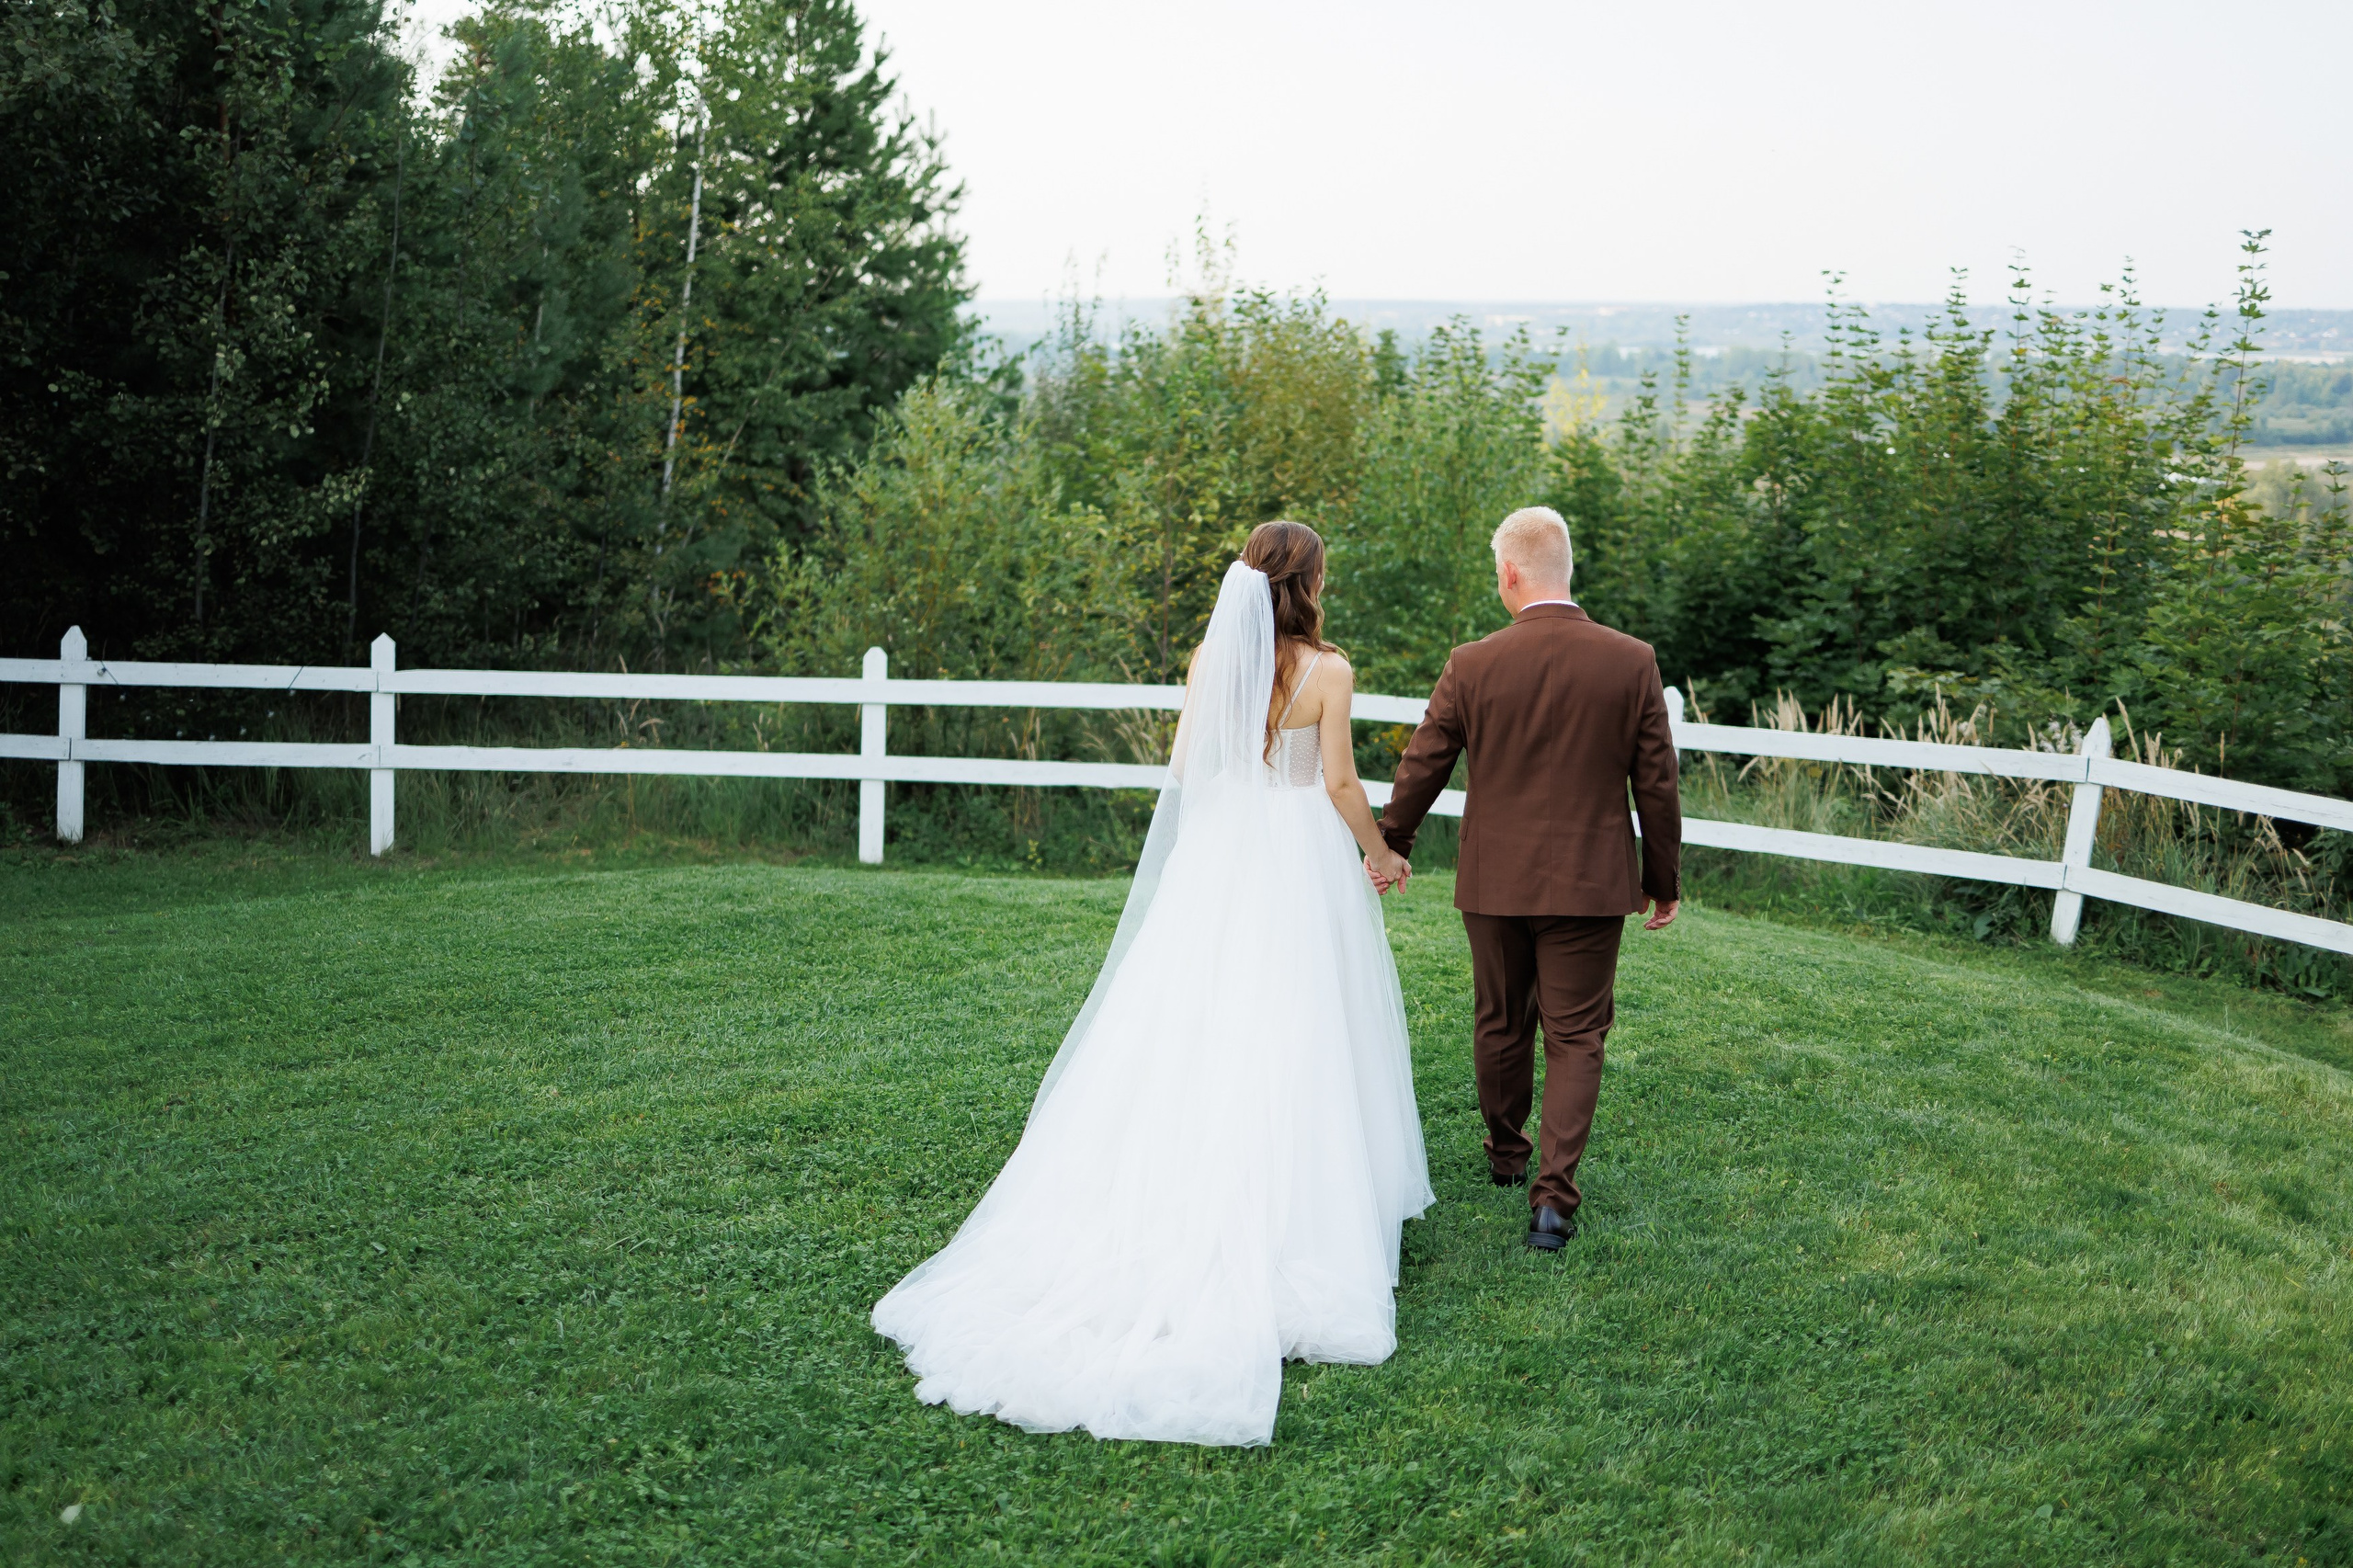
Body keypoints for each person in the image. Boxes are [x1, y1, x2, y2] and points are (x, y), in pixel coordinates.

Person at [872, 520, 1434, 1448]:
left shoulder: (1213, 655)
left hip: (1220, 854)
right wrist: (1378, 853)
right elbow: (1337, 781)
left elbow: (1188, 767)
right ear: (1309, 581)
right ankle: (1299, 1207)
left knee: (1196, 1016)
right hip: (1293, 855)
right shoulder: (1329, 669)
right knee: (1300, 1023)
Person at [1374, 506, 1682, 1252]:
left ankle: (1507, 1156)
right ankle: (1553, 1203)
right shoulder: (1631, 659)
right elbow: (1659, 783)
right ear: (1565, 568)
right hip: (1591, 881)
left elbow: (1424, 761)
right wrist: (1662, 879)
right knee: (1577, 1036)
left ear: (1510, 573)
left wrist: (1391, 843)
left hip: (1494, 880)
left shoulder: (1472, 662)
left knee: (1501, 1019)